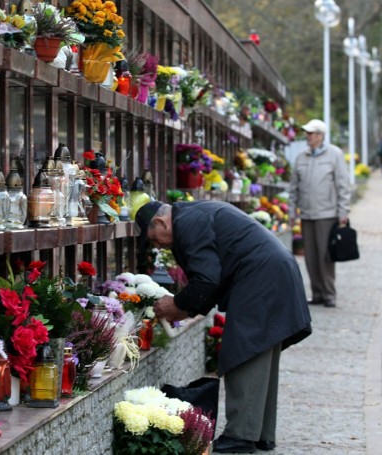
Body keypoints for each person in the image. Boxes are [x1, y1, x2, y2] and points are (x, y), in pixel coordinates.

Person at [135, 200, 312, 453]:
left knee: (245, 350)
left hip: (261, 276)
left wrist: (177, 304)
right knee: (262, 356)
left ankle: (240, 436)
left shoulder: (187, 223)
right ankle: (260, 432)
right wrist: (186, 307)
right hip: (272, 270)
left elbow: (207, 279)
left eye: (154, 238)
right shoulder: (192, 215)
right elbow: (212, 279)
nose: (158, 245)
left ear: (161, 222)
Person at [289, 119, 350, 308]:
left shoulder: (335, 154)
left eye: (311, 133)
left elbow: (342, 184)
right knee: (311, 257)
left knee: (326, 256)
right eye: (306, 133)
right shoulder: (301, 157)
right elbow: (294, 188)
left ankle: (329, 294)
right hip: (307, 215)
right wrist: (292, 211)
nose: (308, 136)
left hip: (327, 214)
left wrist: (343, 211)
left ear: (321, 136)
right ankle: (316, 294)